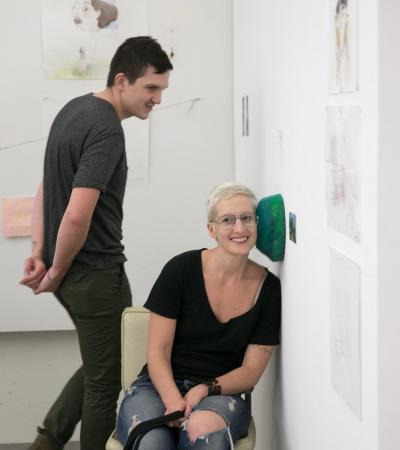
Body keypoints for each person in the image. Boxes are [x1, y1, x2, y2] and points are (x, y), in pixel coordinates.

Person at [20, 36, 173, 450]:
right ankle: (52, 438)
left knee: (101, 363)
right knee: (107, 381)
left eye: (162, 89)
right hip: (95, 275)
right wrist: (55, 269)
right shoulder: (106, 128)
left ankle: (49, 439)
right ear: (121, 80)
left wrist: (39, 253)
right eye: (151, 88)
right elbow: (75, 212)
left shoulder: (73, 110)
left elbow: (44, 188)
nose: (157, 99)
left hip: (73, 274)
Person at [115, 181, 281, 450]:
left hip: (219, 392)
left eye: (246, 218)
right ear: (211, 229)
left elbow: (250, 372)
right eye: (228, 220)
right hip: (158, 385)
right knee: (153, 442)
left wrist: (204, 389)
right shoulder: (181, 269)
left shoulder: (269, 289)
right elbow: (158, 351)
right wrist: (172, 399)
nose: (239, 228)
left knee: (204, 434)